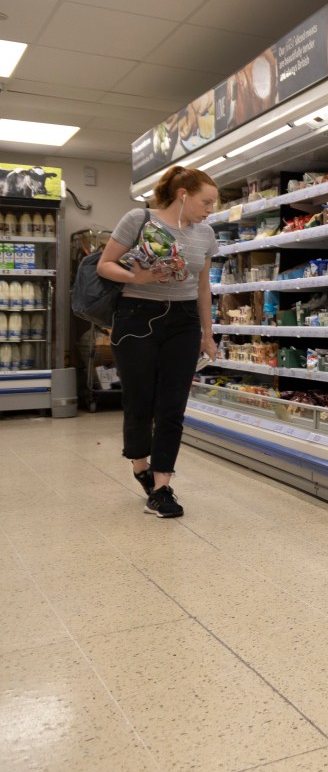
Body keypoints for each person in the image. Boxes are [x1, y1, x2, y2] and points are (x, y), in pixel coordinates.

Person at [97, 166, 220, 518]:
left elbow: (202, 287)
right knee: (140, 399)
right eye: (205, 201)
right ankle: (140, 466)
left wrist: (208, 334)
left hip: (183, 321)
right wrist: (139, 274)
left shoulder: (206, 234)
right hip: (137, 316)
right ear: (183, 194)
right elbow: (105, 265)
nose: (210, 209)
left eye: (213, 203)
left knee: (172, 405)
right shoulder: (139, 218)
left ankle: (162, 486)